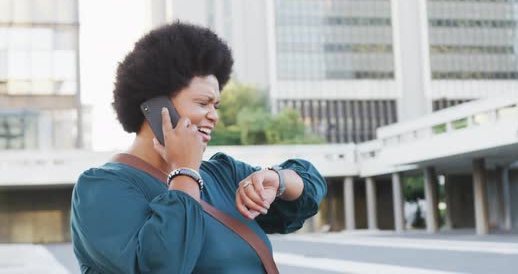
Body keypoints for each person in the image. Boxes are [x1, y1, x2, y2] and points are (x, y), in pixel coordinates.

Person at [70, 22, 327, 273]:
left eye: (216, 106)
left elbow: (309, 187)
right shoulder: (101, 188)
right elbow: (160, 265)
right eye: (203, 103)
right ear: (158, 107)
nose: (214, 116)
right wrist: (184, 172)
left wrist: (278, 180)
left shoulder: (221, 174)